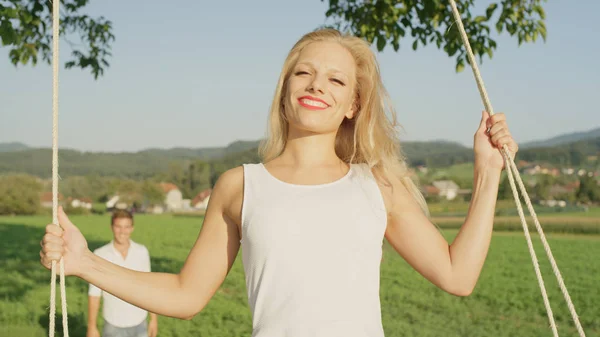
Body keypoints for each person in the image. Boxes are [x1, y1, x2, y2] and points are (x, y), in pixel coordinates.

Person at [40, 28, 518, 336]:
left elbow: (458, 276)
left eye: (336, 80)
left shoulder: (377, 185)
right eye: (304, 73)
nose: (316, 85)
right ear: (286, 91)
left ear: (353, 104)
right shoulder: (239, 186)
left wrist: (488, 172)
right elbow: (186, 296)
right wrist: (84, 264)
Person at [86, 209, 158, 337]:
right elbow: (94, 294)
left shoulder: (142, 252)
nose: (122, 231)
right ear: (112, 227)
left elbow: (149, 286)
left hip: (140, 321)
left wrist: (153, 319)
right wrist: (92, 327)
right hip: (113, 324)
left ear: (132, 228)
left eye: (126, 227)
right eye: (118, 226)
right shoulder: (100, 254)